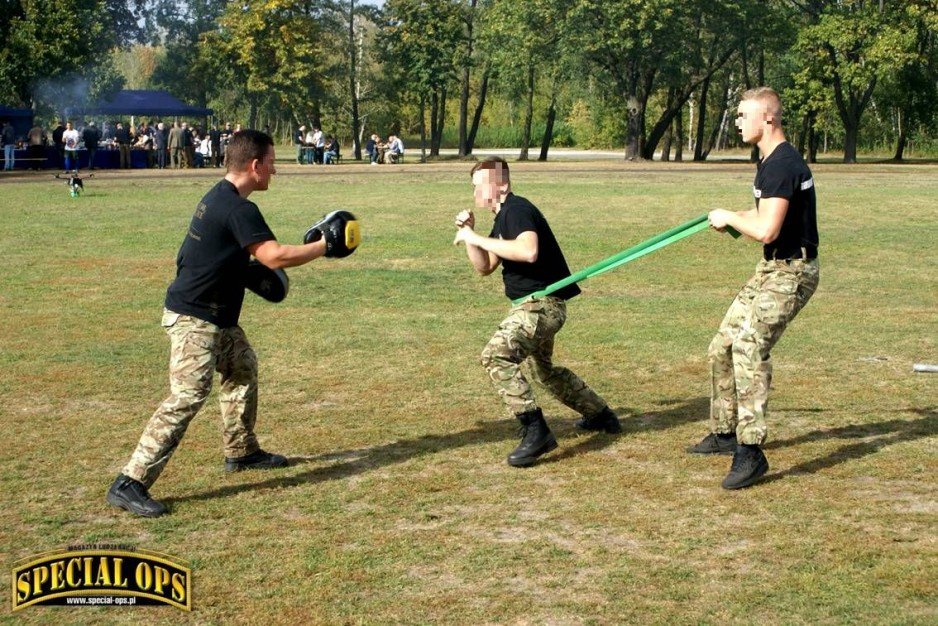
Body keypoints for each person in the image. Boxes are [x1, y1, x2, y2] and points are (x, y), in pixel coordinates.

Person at [106, 130, 348, 518]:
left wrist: (241, 271)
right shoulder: (238, 208)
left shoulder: (218, 197)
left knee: (242, 367)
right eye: (272, 162)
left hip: (215, 317)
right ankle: (130, 482)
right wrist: (326, 245)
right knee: (187, 395)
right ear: (255, 165)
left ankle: (241, 451)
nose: (275, 170)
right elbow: (276, 255)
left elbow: (192, 254)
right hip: (195, 318)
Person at [688, 87, 820, 490]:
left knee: (749, 346)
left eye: (744, 115)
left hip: (793, 272)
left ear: (768, 118)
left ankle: (751, 450)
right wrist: (728, 217)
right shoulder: (769, 161)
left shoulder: (782, 164)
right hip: (771, 267)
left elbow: (766, 229)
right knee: (722, 345)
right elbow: (762, 215)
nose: (739, 121)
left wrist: (731, 215)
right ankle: (725, 432)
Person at [453, 157, 621, 467]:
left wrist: (474, 238)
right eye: (474, 187)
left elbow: (528, 251)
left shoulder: (517, 210)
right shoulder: (501, 219)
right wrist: (470, 234)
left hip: (541, 305)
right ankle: (600, 415)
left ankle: (535, 430)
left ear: (501, 184)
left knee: (496, 355)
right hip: (534, 306)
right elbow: (485, 267)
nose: (476, 193)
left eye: (481, 186)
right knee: (543, 370)